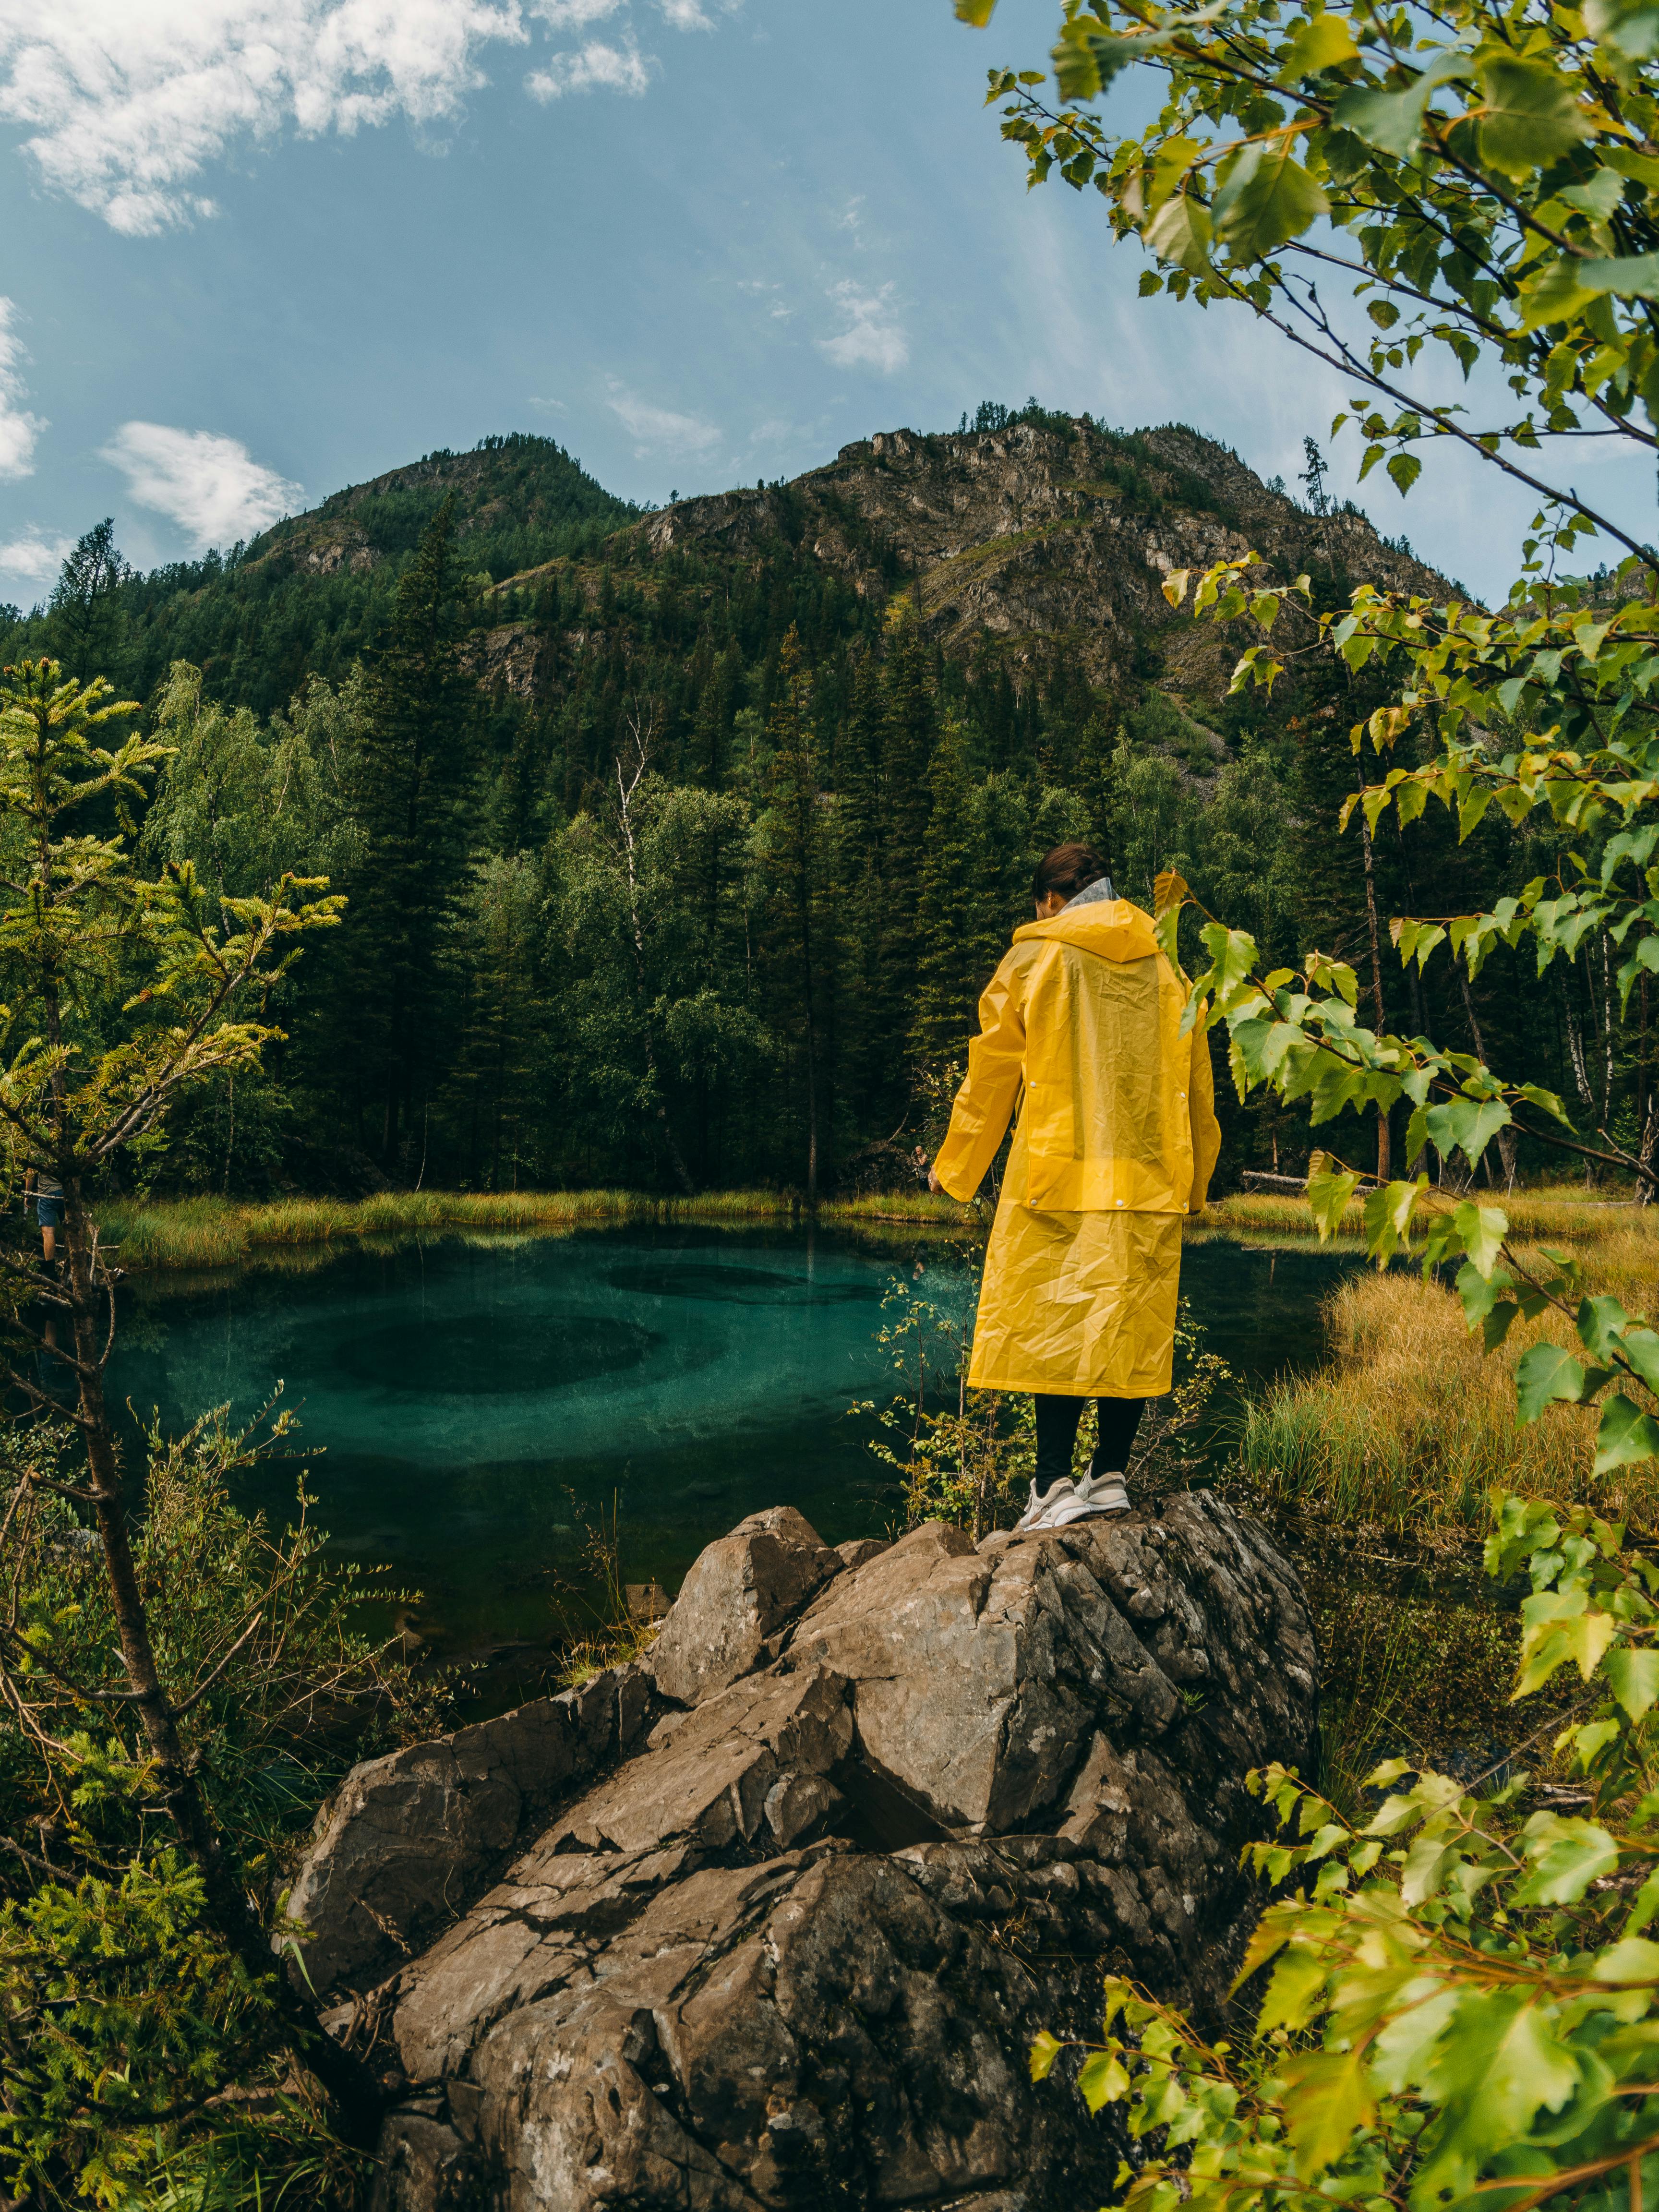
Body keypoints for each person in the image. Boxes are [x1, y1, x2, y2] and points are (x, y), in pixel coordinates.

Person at [926, 842, 1221, 1534]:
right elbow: (1198, 1088)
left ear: (1052, 900)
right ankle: (1110, 1475)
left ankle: (1053, 1484)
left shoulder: (1036, 955)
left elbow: (991, 1071)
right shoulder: (1170, 966)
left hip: (1058, 1169)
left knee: (1054, 1323)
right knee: (1131, 1326)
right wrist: (1197, 1178)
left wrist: (958, 1163)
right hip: (1148, 1174)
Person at [24, 1162, 63, 1268]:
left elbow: (31, 1173)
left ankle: (50, 1270)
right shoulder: (63, 1146)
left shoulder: (37, 1150)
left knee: (48, 1232)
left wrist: (28, 1194)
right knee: (71, 1229)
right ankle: (73, 1262)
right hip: (66, 1192)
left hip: (47, 1194)